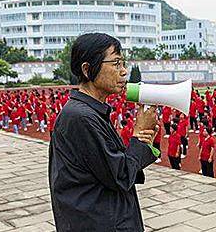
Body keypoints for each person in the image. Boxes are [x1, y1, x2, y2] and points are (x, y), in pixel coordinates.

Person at [48, 33, 160, 232]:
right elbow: (120, 176)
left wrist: (142, 142)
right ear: (87, 69)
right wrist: (139, 136)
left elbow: (111, 167)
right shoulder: (81, 117)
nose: (124, 71)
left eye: (123, 63)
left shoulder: (87, 112)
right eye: (116, 63)